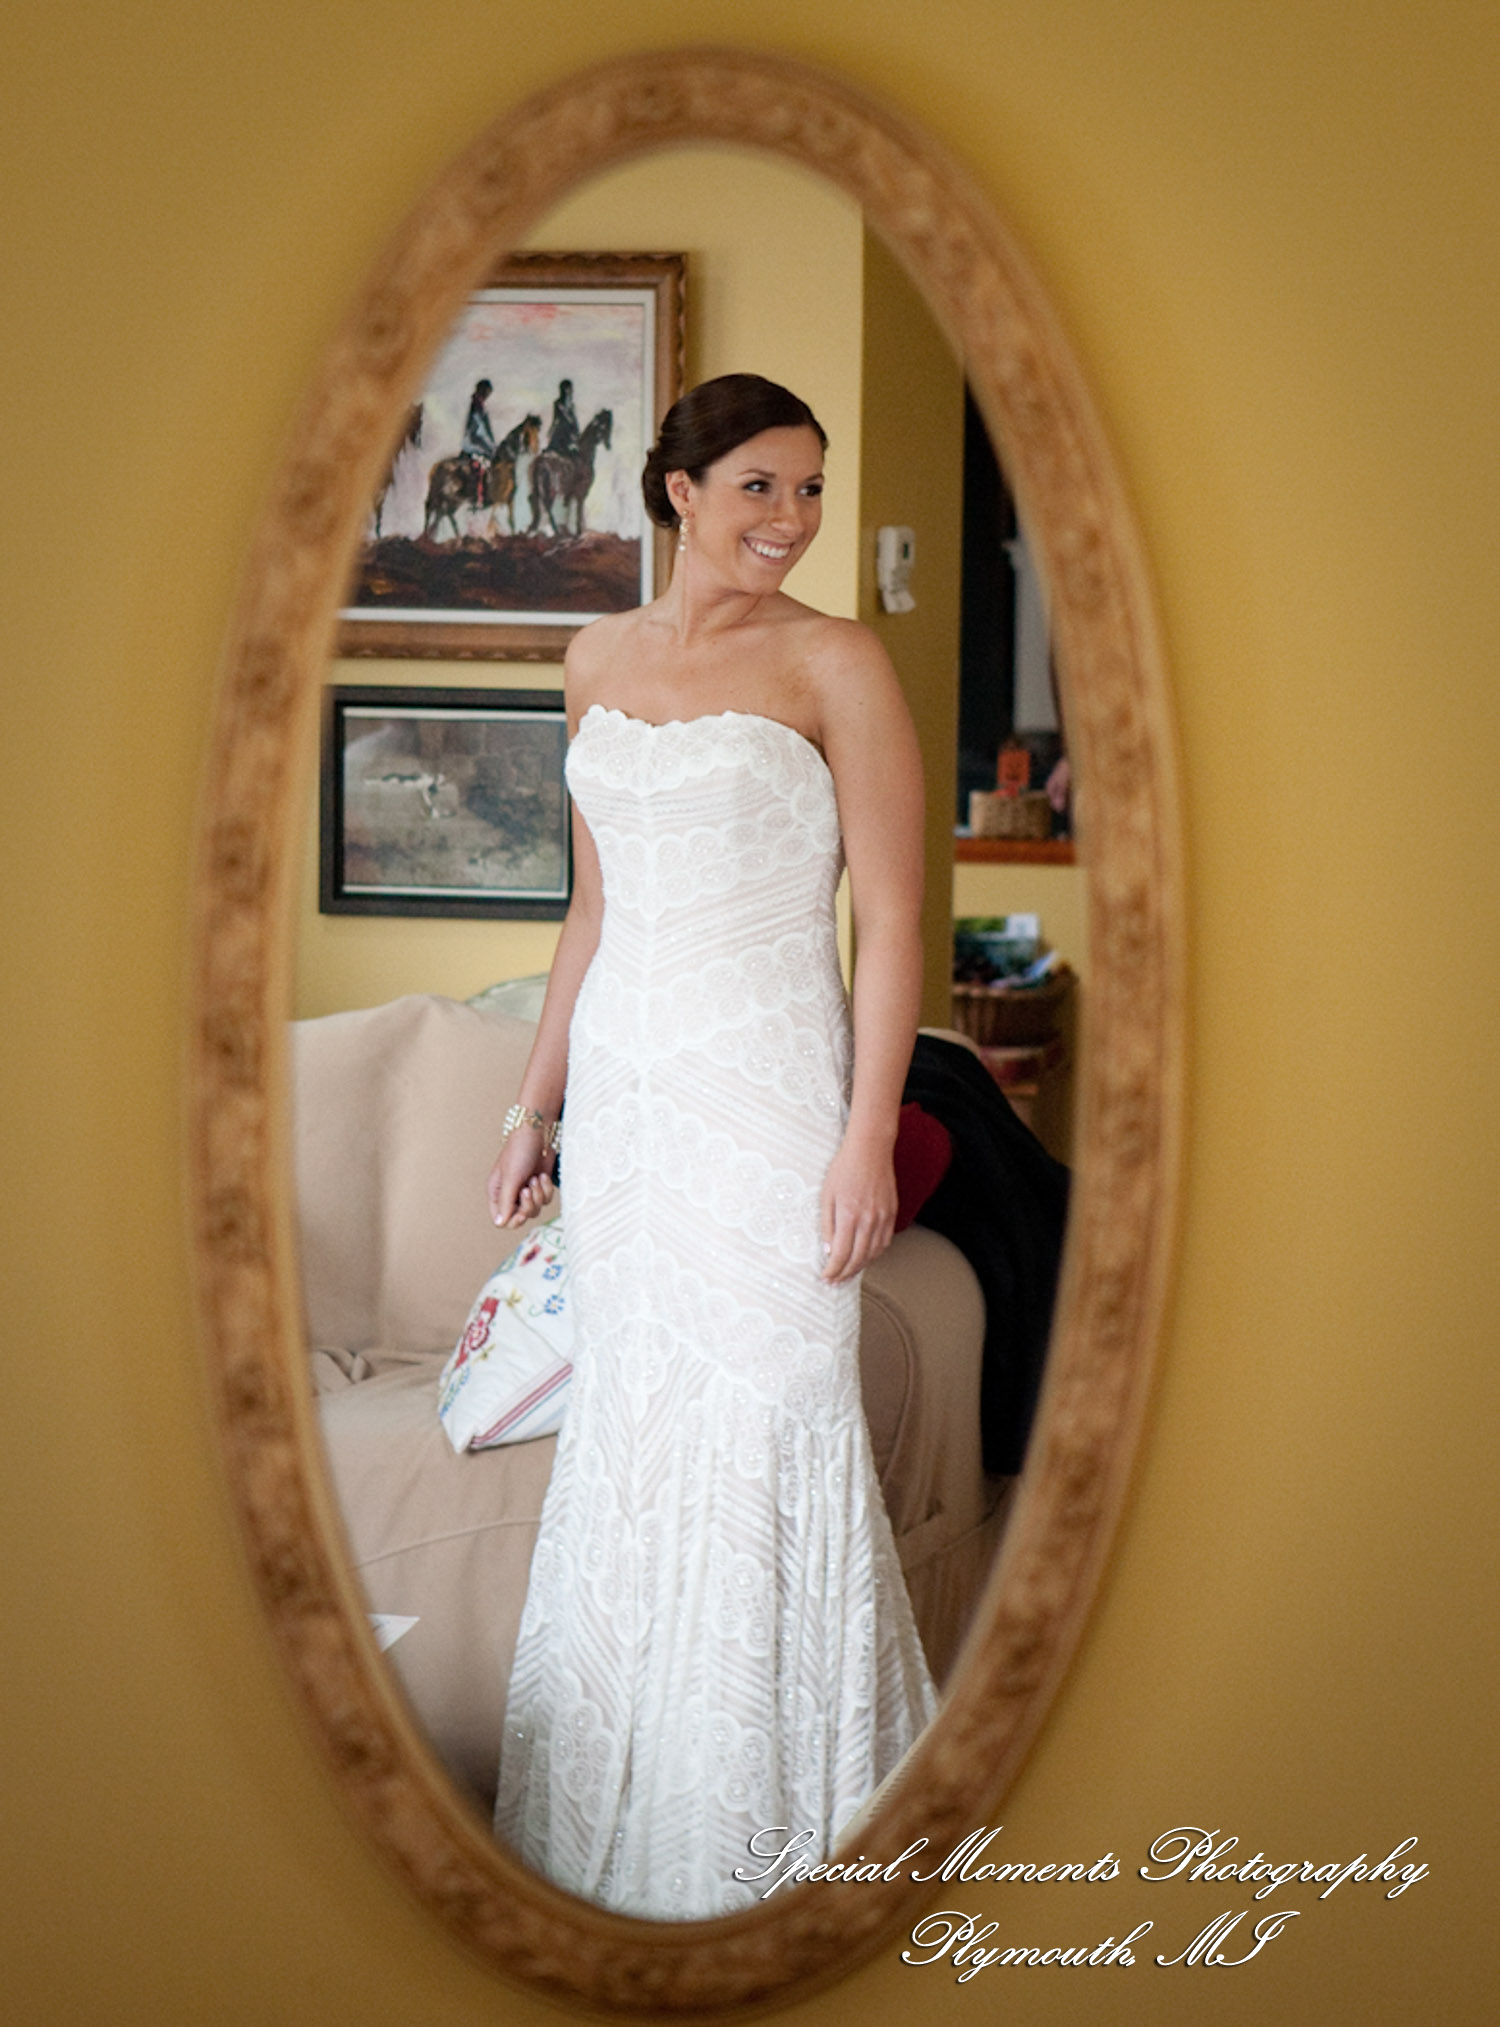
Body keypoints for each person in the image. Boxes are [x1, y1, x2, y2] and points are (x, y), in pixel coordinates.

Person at [486, 372, 936, 1920]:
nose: (792, 520)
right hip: (632, 1101)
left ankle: (796, 1831)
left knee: (778, 1413)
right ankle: (627, 1832)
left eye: (809, 489)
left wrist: (865, 1133)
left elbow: (890, 917)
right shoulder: (592, 656)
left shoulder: (838, 659)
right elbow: (590, 912)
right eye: (761, 486)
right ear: (679, 491)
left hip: (769, 1099)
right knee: (638, 1434)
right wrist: (535, 1105)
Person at [546, 376, 580, 456]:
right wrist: (550, 431)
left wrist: (577, 430)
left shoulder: (572, 404)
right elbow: (555, 419)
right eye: (568, 388)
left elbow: (574, 418)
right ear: (564, 389)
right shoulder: (557, 403)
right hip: (561, 429)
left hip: (571, 429)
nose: (571, 390)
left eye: (570, 388)